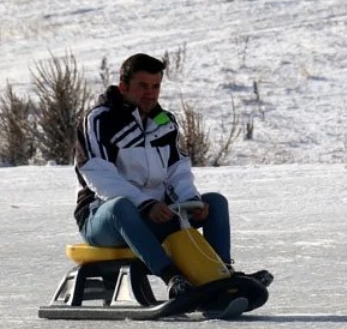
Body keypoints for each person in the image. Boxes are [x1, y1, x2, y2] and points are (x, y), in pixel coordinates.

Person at [74, 53, 272, 299]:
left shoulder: (163, 121)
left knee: (215, 202)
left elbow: (177, 169)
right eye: (142, 86)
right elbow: (98, 175)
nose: (150, 93)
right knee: (121, 207)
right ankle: (172, 279)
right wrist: (145, 205)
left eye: (155, 86)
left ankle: (222, 275)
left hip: (154, 215)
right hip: (103, 218)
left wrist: (192, 201)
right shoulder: (100, 119)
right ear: (123, 86)